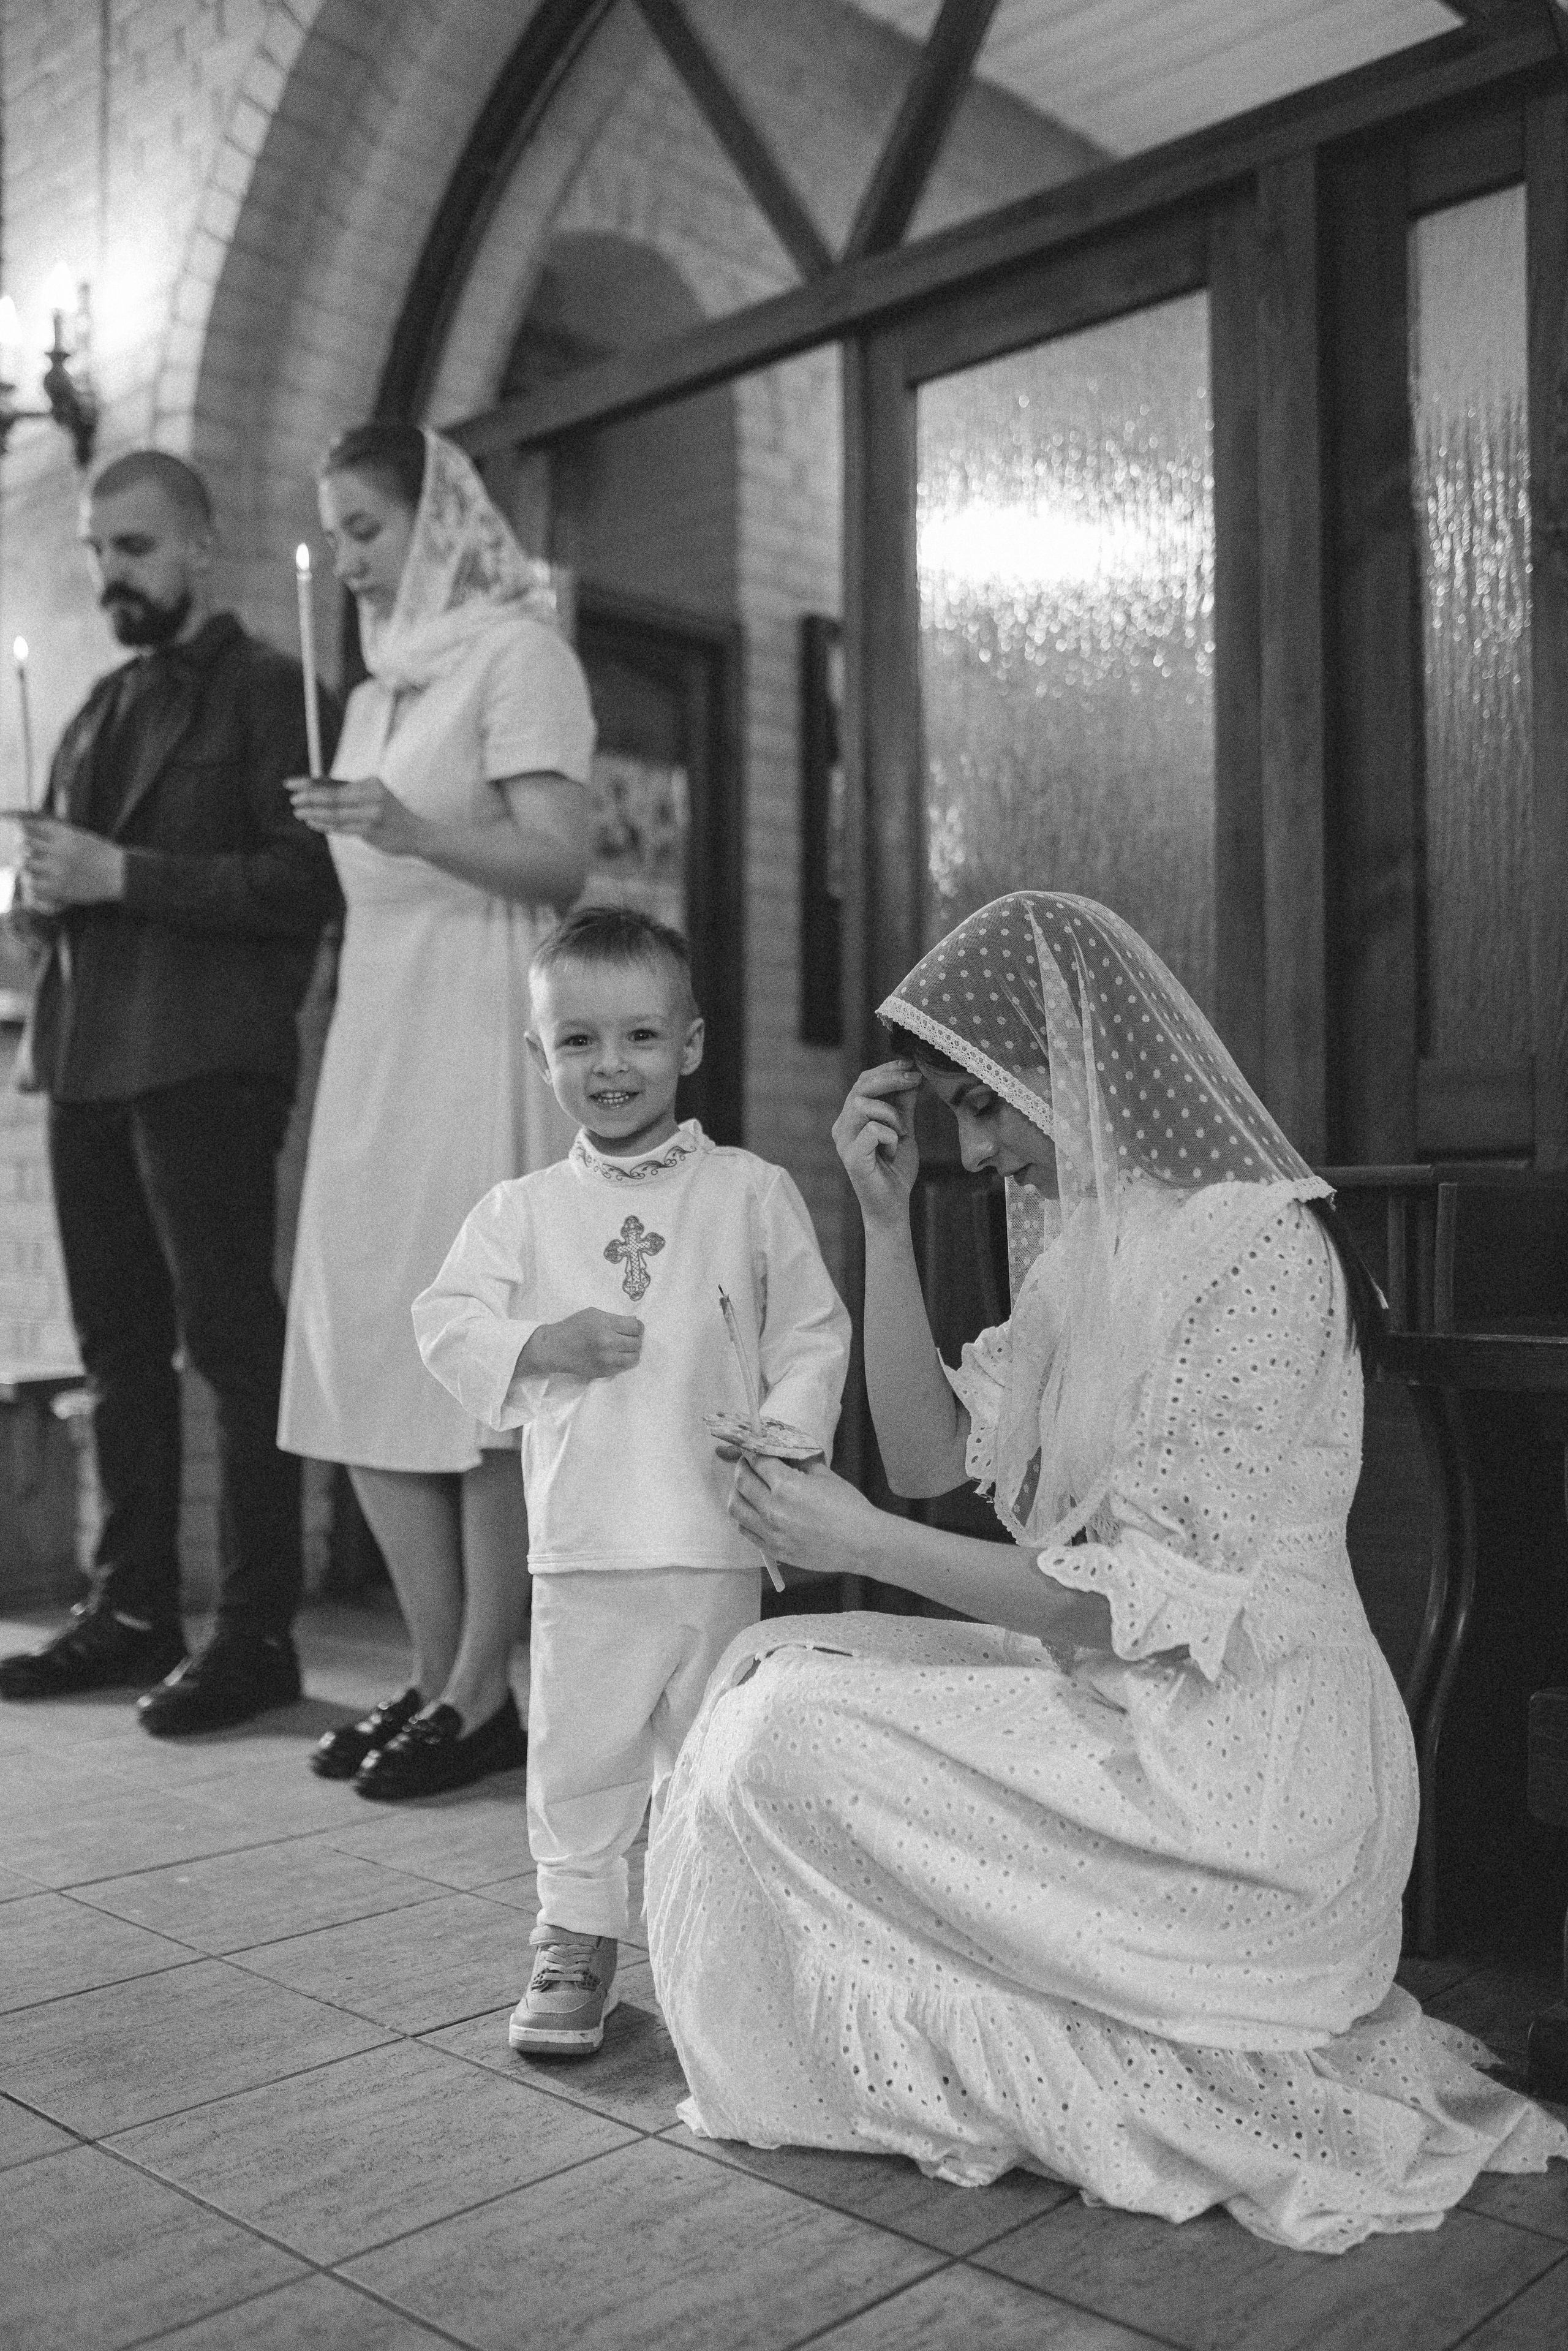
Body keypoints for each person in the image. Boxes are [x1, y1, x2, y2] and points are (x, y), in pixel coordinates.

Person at [646, 891, 1568, 2253]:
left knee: (781, 1730)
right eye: (956, 1114)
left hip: (1245, 1774)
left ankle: (1113, 1999)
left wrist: (858, 1546)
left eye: (985, 1106)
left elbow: (1128, 1604)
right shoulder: (1089, 1249)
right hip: (1122, 1705)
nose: (979, 1147)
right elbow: (918, 1454)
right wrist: (883, 1225)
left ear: (1064, 1068)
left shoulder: (1251, 1247)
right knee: (768, 1677)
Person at [413, 904, 850, 2054]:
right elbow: (445, 1322)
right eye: (579, 1041)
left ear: (692, 1045)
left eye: (641, 1037)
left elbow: (812, 1330)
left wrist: (785, 1430)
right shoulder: (521, 1214)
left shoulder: (750, 1192)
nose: (612, 1065)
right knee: (583, 1749)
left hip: (716, 1531)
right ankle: (576, 1937)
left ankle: (726, 1939)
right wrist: (540, 1346)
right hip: (587, 1542)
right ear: (539, 1055)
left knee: (713, 1754)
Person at [0, 450, 342, 1733]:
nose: (110, 574)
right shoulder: (93, 708)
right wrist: (40, 897)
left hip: (206, 1061)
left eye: (133, 547)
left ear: (201, 543)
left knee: (231, 1348)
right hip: (86, 1059)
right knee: (116, 1353)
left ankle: (258, 1629)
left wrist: (121, 874)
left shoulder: (275, 692)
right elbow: (63, 889)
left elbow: (303, 884)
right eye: (97, 552)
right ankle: (132, 1603)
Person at [280, 424, 594, 1800]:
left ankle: (483, 1689)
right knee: (362, 1351)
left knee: (469, 1364)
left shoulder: (518, 654)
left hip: (474, 1026)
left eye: (363, 526)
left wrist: (405, 828)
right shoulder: (369, 691)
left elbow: (563, 859)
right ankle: (424, 1670)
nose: (344, 557)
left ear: (435, 521)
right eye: (335, 533)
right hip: (375, 1040)